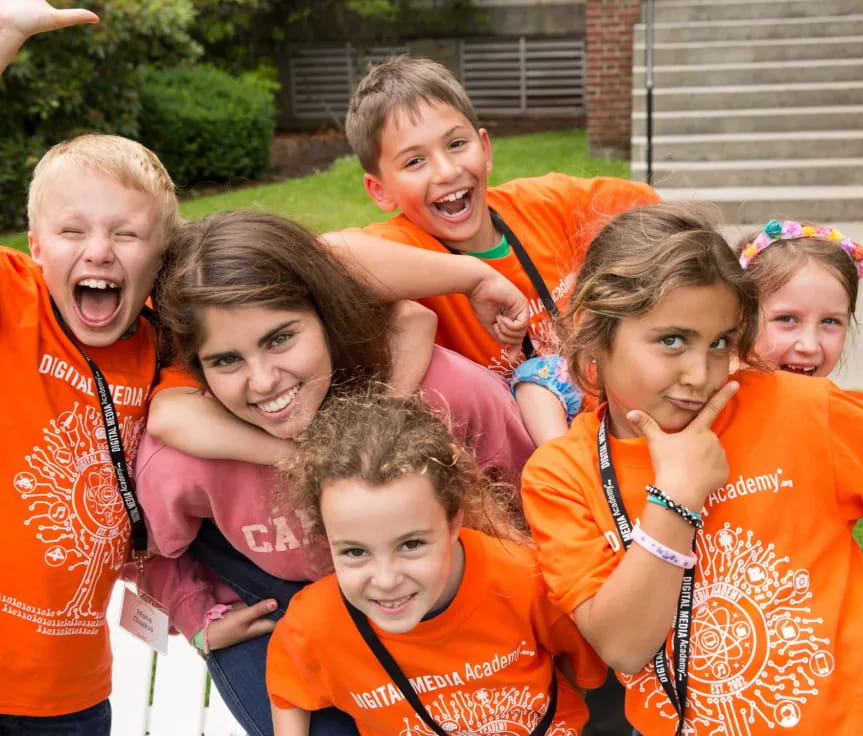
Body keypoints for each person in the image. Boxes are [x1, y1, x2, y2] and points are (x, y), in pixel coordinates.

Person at [520, 202, 863, 735]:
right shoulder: (561, 474)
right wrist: (677, 499)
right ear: (595, 334)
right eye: (672, 340)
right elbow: (623, 645)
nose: (700, 374)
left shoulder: (800, 409)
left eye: (719, 343)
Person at [135, 210, 537, 736]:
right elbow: (140, 550)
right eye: (227, 360)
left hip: (445, 608)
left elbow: (533, 507)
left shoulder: (449, 392)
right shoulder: (183, 460)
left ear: (327, 317)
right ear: (196, 368)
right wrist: (195, 617)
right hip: (284, 620)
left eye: (281, 339)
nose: (263, 381)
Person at [0, 3, 180, 731]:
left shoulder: (169, 348)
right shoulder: (15, 306)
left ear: (160, 259)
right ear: (38, 245)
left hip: (69, 690)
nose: (98, 251)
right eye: (72, 230)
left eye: (126, 233)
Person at [341, 56, 660, 445]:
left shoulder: (543, 204)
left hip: (618, 428)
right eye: (414, 161)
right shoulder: (405, 245)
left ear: (485, 148)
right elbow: (326, 256)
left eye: (457, 144)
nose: (445, 171)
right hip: (512, 462)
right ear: (380, 190)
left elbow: (652, 212)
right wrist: (475, 279)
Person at [267, 391, 607, 735]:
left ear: (453, 521)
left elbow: (579, 663)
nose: (385, 580)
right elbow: (288, 689)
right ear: (328, 539)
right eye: (355, 552)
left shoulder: (523, 577)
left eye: (411, 544)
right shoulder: (315, 621)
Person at [739, 218, 863, 428]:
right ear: (740, 319)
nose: (810, 346)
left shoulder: (851, 420)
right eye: (787, 319)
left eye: (830, 321)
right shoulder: (706, 414)